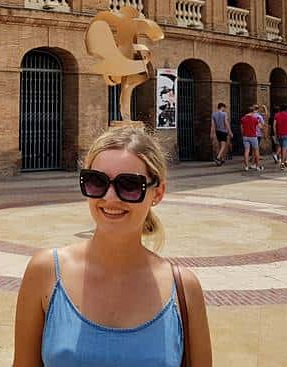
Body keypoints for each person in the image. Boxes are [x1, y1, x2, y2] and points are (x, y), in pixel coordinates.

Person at [12, 125, 212, 367]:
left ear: (157, 193)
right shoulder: (45, 272)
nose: (109, 197)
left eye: (129, 185)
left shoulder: (184, 290)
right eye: (96, 182)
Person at [240, 106, 263, 172]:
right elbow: (260, 127)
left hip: (245, 136)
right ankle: (258, 166)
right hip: (253, 136)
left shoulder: (243, 119)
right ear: (252, 111)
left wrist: (243, 135)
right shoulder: (255, 119)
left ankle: (246, 166)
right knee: (256, 151)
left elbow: (241, 129)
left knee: (246, 151)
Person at [273, 105, 287, 170]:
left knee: (282, 149)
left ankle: (285, 161)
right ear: (286, 109)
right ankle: (282, 164)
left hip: (279, 134)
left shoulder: (277, 115)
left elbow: (274, 125)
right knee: (284, 149)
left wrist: (275, 134)